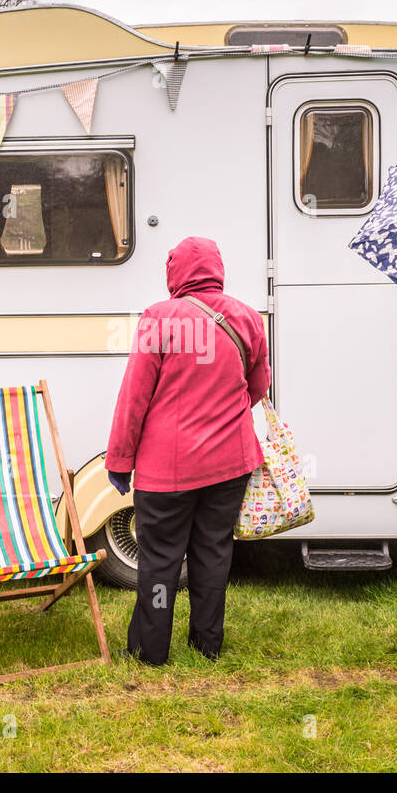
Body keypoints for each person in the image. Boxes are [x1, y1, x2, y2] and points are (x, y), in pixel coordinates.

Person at [105, 236, 271, 665]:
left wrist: (120, 461)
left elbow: (134, 398)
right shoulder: (248, 317)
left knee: (160, 560)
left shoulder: (158, 318)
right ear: (217, 269)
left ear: (174, 273)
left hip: (167, 470)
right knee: (214, 550)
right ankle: (207, 644)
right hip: (230, 464)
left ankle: (151, 651)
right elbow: (257, 386)